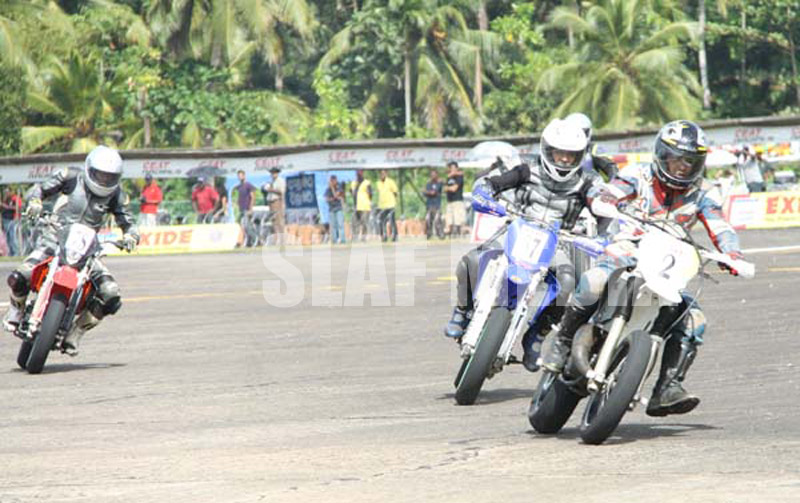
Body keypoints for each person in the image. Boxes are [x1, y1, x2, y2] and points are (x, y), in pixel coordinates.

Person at [543, 119, 744, 417]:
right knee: (595, 281)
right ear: (662, 154)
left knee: (694, 319)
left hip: (668, 265)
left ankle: (667, 387)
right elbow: (610, 191)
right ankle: (562, 341)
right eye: (677, 159)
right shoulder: (637, 175)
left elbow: (720, 225)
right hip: (628, 248)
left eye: (691, 161)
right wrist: (605, 200)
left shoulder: (705, 192)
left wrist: (732, 253)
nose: (683, 167)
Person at [443, 121, 607, 372]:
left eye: (571, 155)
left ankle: (536, 335)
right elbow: (494, 183)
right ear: (547, 150)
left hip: (558, 241)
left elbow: (603, 210)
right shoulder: (527, 168)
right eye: (559, 153)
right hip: (517, 227)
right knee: (471, 261)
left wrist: (604, 236)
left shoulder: (588, 181)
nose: (564, 160)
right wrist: (484, 193)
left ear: (580, 156)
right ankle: (462, 309)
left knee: (568, 282)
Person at [3, 146, 139, 355]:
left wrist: (131, 236)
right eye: (100, 175)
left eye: (109, 177)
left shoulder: (117, 195)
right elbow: (39, 189)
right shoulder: (70, 176)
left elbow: (128, 222)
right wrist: (36, 202)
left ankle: (76, 333)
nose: (104, 180)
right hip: (55, 237)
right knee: (19, 277)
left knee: (110, 294)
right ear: (89, 169)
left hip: (88, 249)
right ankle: (16, 310)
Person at [564, 112, 618, 181]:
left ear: (589, 132)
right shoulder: (557, 151)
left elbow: (611, 169)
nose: (578, 136)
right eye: (572, 132)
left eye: (582, 132)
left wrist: (613, 178)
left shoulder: (596, 151)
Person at [262, 167, 286, 245]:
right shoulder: (271, 182)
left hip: (277, 201)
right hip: (271, 202)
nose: (273, 174)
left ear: (277, 173)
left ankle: (282, 240)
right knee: (274, 221)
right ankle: (276, 239)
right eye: (272, 173)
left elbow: (281, 192)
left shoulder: (280, 181)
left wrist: (271, 189)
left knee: (279, 221)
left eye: (274, 173)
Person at [233, 170, 256, 245]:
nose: (240, 177)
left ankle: (256, 239)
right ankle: (248, 241)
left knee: (247, 226)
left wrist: (251, 209)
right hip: (241, 209)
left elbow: (253, 197)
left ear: (244, 176)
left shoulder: (248, 185)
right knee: (241, 225)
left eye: (241, 175)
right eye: (238, 176)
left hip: (247, 208)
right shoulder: (239, 187)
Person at [376, 169, 399, 242]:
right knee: (382, 222)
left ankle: (395, 236)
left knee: (391, 221)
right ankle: (384, 236)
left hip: (390, 205)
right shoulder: (378, 183)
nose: (382, 175)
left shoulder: (390, 182)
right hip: (382, 206)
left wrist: (393, 201)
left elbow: (395, 192)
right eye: (381, 174)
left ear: (386, 174)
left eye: (383, 173)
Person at [444, 161, 465, 237]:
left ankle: (461, 233)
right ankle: (449, 233)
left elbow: (454, 188)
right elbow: (445, 188)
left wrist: (448, 188)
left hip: (457, 200)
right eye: (450, 168)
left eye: (453, 168)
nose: (451, 169)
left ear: (457, 168)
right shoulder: (449, 178)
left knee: (458, 220)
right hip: (450, 201)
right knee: (449, 219)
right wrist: (448, 188)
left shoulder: (459, 177)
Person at [350, 170, 372, 242]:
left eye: (360, 173)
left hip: (365, 206)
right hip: (356, 206)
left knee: (364, 222)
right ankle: (355, 237)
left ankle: (363, 237)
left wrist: (367, 200)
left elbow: (370, 194)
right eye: (357, 173)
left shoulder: (367, 183)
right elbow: (351, 192)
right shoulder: (353, 183)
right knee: (355, 222)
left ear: (362, 173)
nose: (358, 174)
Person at [325, 175, 346, 244]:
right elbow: (326, 198)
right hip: (331, 209)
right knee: (333, 226)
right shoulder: (328, 189)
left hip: (338, 208)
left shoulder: (339, 187)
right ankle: (334, 240)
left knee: (340, 224)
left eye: (333, 180)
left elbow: (336, 195)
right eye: (331, 181)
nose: (332, 182)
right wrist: (331, 199)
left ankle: (342, 240)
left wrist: (332, 188)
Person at [1, 187, 22, 256]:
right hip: (5, 219)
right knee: (8, 237)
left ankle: (16, 252)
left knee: (12, 236)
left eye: (7, 192)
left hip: (12, 219)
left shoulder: (15, 198)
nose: (6, 193)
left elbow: (17, 207)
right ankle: (11, 252)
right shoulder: (6, 199)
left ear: (11, 192)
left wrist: (6, 206)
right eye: (5, 192)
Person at [424, 169, 443, 239]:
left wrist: (427, 192)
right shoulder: (428, 184)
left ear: (437, 175)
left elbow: (434, 192)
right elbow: (424, 193)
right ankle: (429, 234)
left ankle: (440, 234)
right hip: (429, 205)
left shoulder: (439, 183)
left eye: (434, 174)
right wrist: (427, 192)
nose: (433, 176)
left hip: (437, 205)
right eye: (431, 175)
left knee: (437, 221)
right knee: (428, 220)